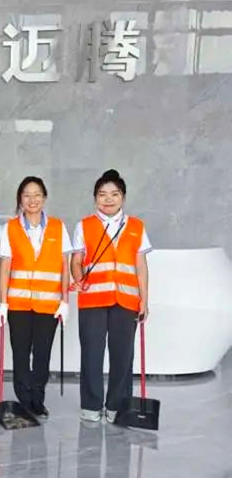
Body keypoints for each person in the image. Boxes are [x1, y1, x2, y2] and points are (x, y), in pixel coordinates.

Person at [71, 170, 151, 424]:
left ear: (123, 198)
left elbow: (141, 266)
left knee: (123, 356)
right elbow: (76, 260)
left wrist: (144, 300)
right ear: (95, 198)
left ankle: (117, 405)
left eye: (114, 194)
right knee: (91, 354)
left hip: (126, 301)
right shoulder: (84, 225)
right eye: (102, 194)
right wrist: (78, 277)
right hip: (93, 299)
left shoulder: (136, 226)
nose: (108, 199)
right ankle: (91, 405)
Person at [0, 176, 72, 419]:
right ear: (20, 199)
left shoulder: (58, 227)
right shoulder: (10, 228)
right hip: (18, 305)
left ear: (44, 198)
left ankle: (37, 399)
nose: (32, 199)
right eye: (27, 195)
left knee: (42, 354)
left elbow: (65, 266)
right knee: (20, 354)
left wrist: (65, 301)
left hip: (48, 305)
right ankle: (23, 398)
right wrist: (3, 302)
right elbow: (5, 268)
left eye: (37, 194)